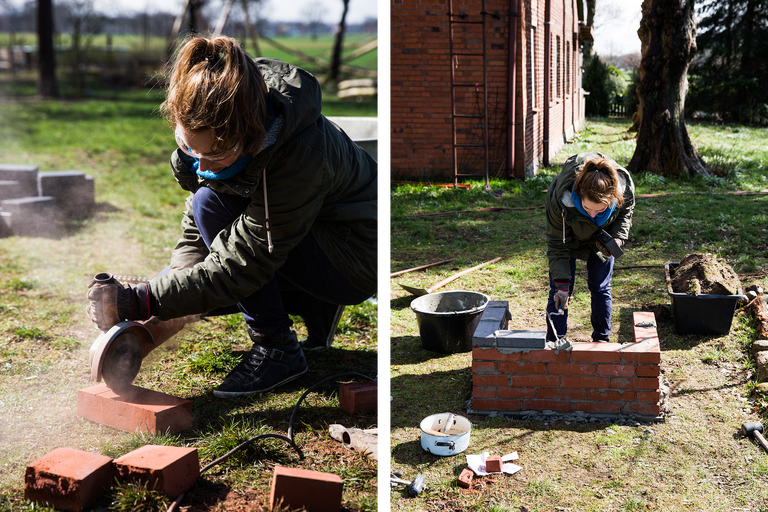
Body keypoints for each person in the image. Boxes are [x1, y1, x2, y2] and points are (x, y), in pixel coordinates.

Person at [86, 35, 379, 397]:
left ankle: (278, 350)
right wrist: (173, 284)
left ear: (253, 135)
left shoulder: (299, 156)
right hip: (306, 234)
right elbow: (199, 227)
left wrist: (144, 299)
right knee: (205, 223)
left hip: (355, 258)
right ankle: (311, 302)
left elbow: (244, 264)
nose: (202, 166)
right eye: (189, 148)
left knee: (215, 233)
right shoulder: (211, 128)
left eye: (217, 156)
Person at [544, 152, 634, 342]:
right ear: (578, 193)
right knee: (559, 289)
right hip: (567, 237)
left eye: (600, 210)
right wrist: (561, 283)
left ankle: (601, 340)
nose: (593, 215)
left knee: (600, 287)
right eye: (587, 209)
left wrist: (617, 238)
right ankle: (555, 342)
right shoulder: (560, 197)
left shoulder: (623, 190)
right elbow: (556, 243)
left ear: (612, 199)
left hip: (600, 239)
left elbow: (625, 215)